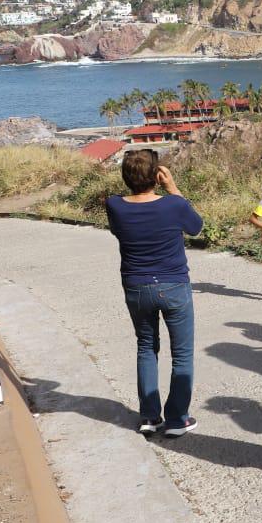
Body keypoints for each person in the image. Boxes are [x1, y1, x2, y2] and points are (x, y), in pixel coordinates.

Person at [105, 150, 204, 437]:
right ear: (157, 176)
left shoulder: (114, 205)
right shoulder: (173, 204)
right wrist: (173, 188)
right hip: (174, 285)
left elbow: (118, 232)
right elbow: (196, 228)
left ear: (126, 177)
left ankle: (149, 416)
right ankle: (177, 419)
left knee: (146, 347)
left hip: (136, 286)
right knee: (182, 354)